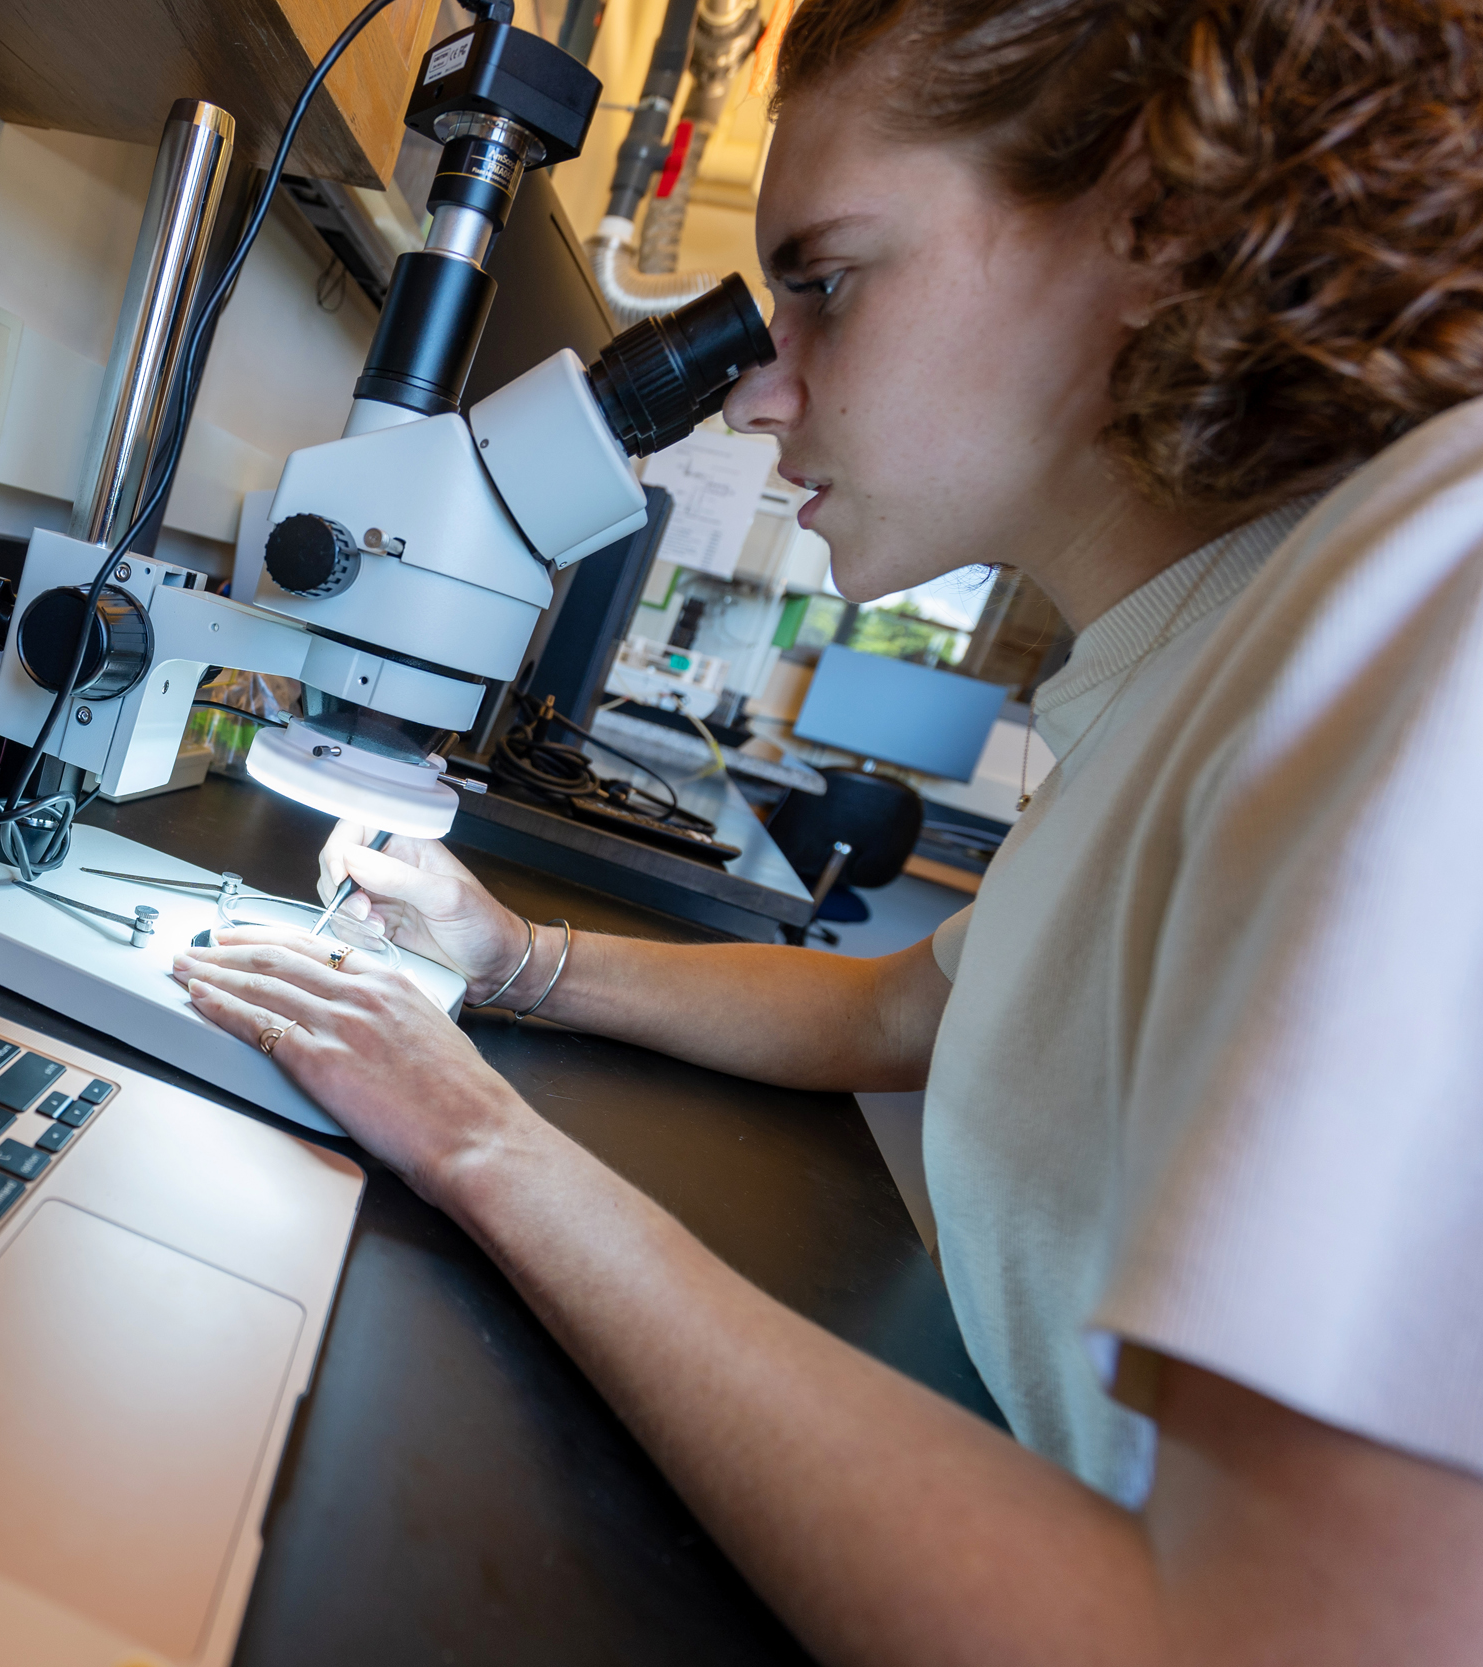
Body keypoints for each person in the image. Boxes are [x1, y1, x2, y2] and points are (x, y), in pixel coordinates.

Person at [174, 0, 1483, 1658]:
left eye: (826, 281)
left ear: (1160, 217)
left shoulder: (1442, 610)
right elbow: (915, 1005)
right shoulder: (1212, 639)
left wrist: (490, 1149)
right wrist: (516, 964)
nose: (753, 394)